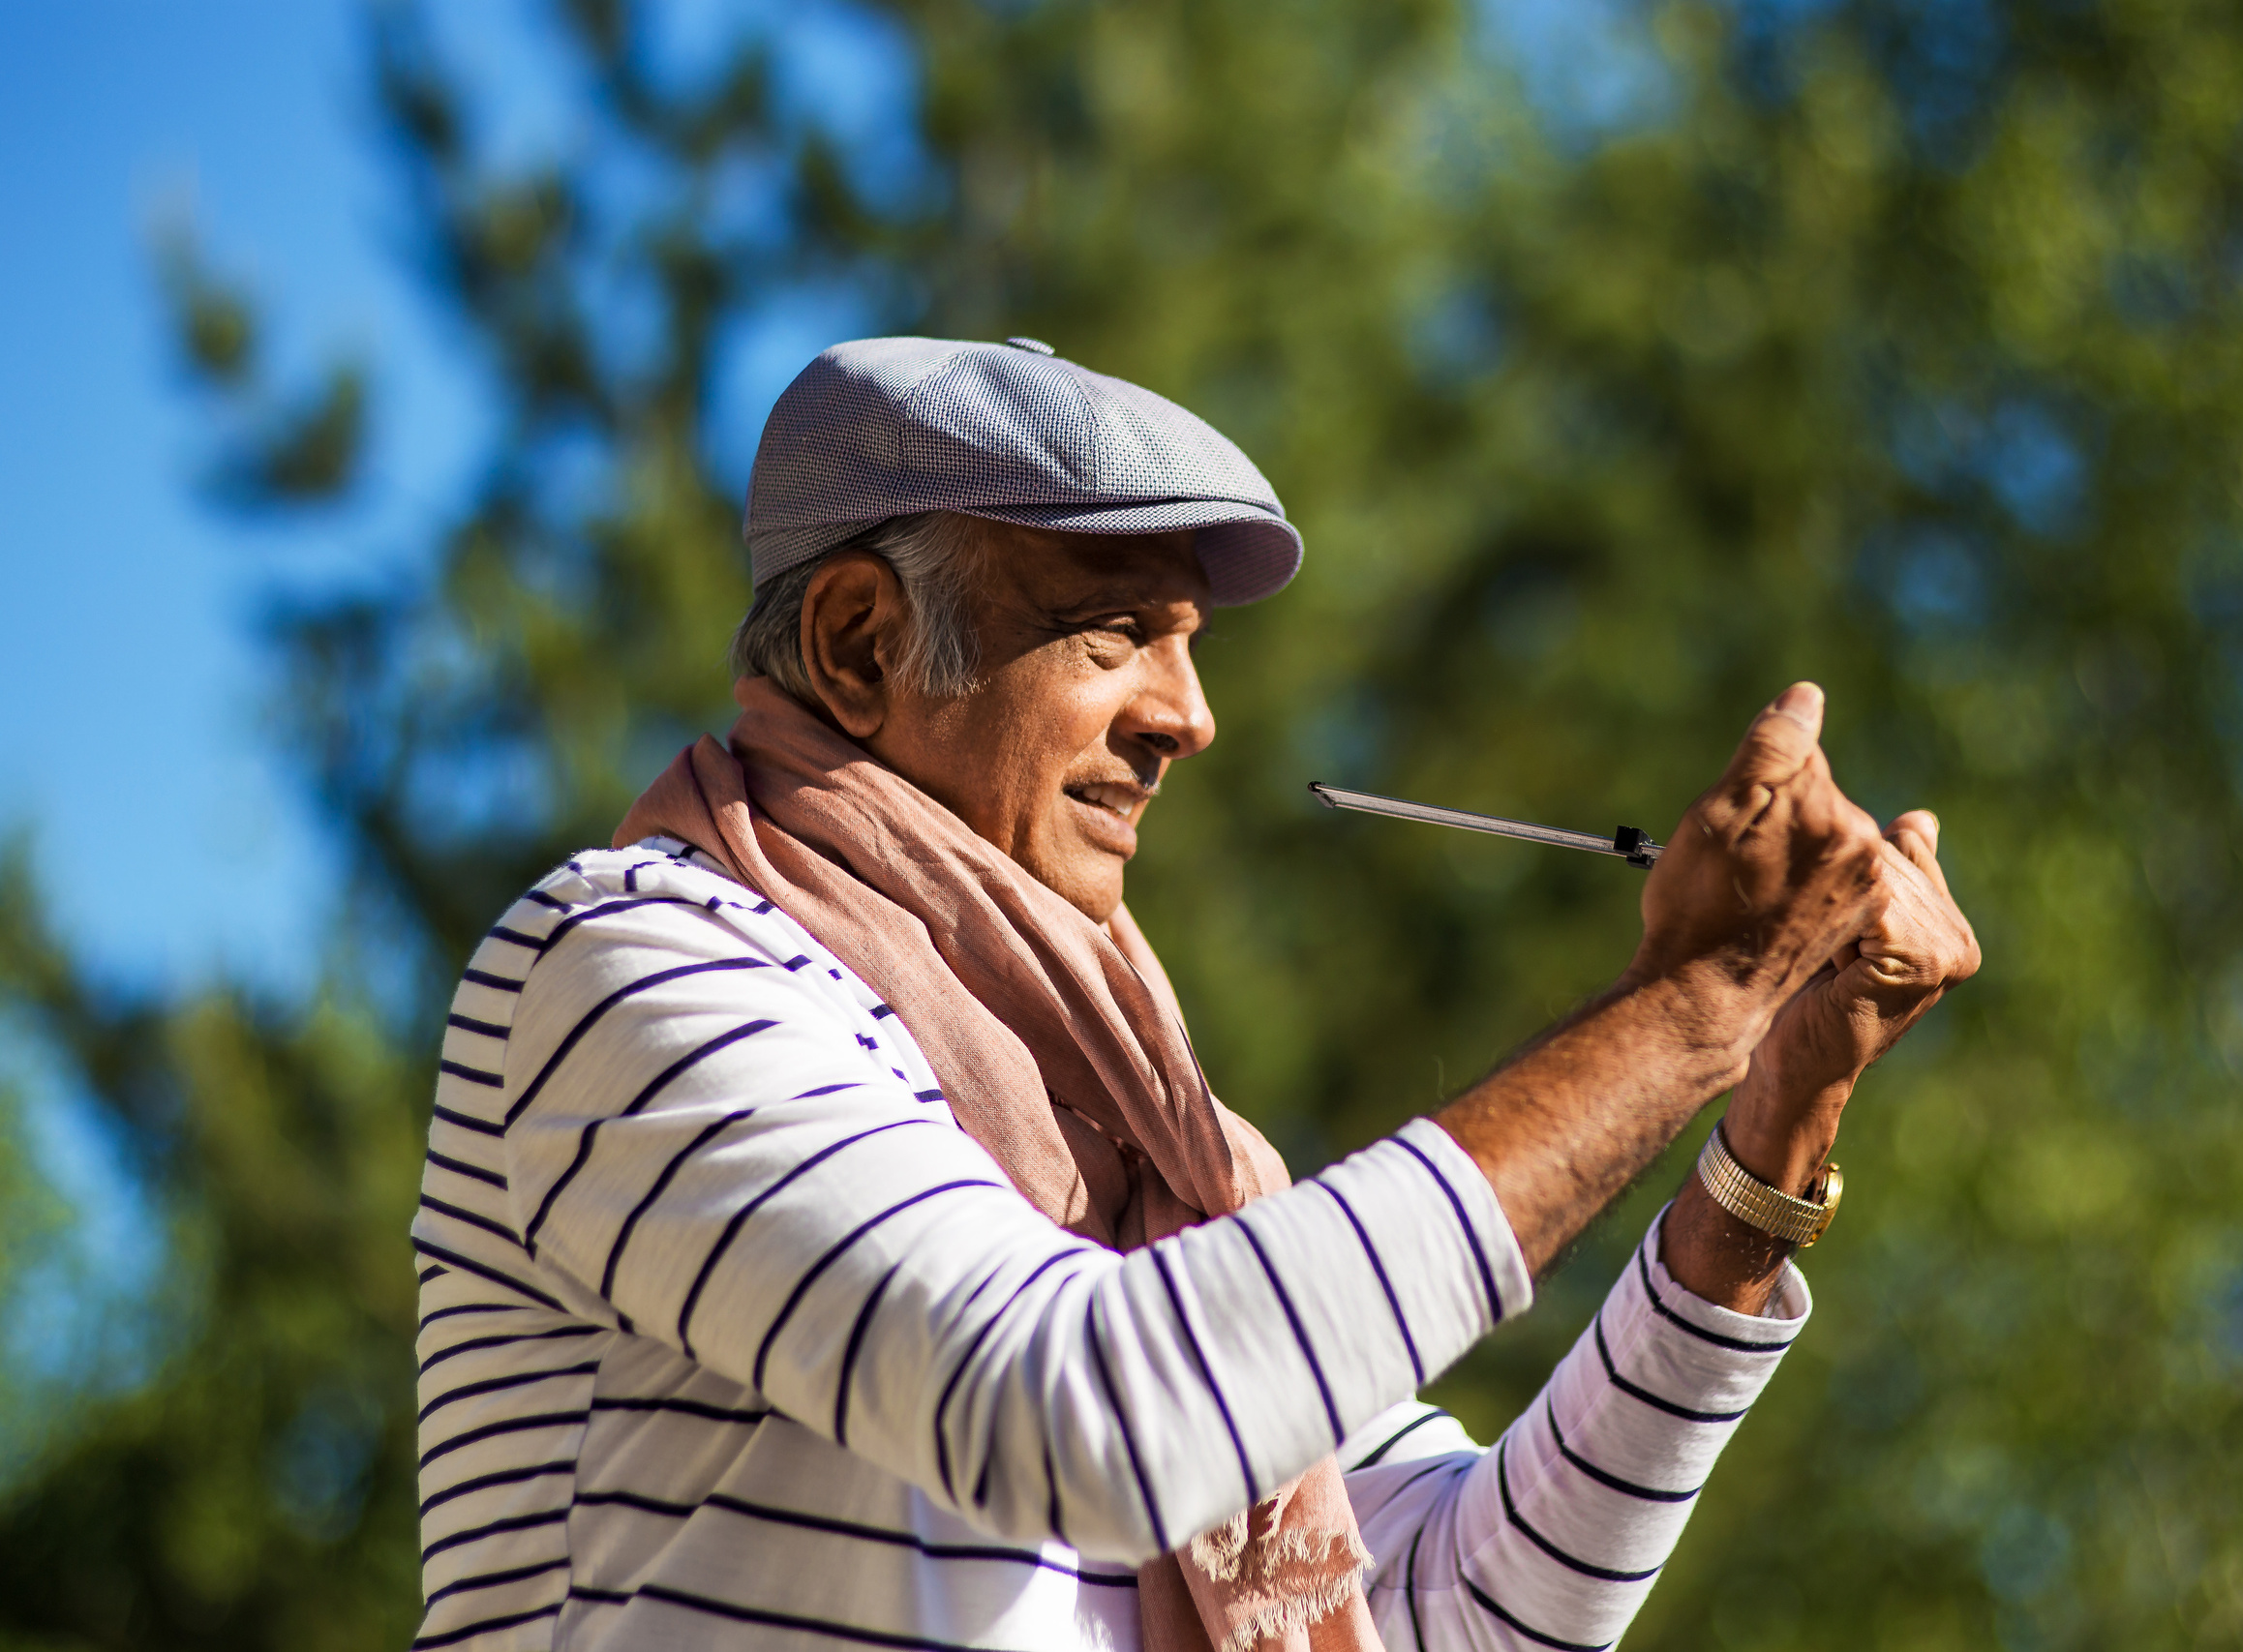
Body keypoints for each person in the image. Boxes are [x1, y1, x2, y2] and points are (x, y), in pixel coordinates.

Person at [408, 336, 1979, 1652]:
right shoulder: (641, 962)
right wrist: (1677, 1014)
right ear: (860, 643)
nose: (1192, 717)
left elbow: (1455, 1612)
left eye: (1191, 640)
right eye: (1115, 630)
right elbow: (1076, 1409)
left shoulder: (1156, 1140)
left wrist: (1764, 1130)